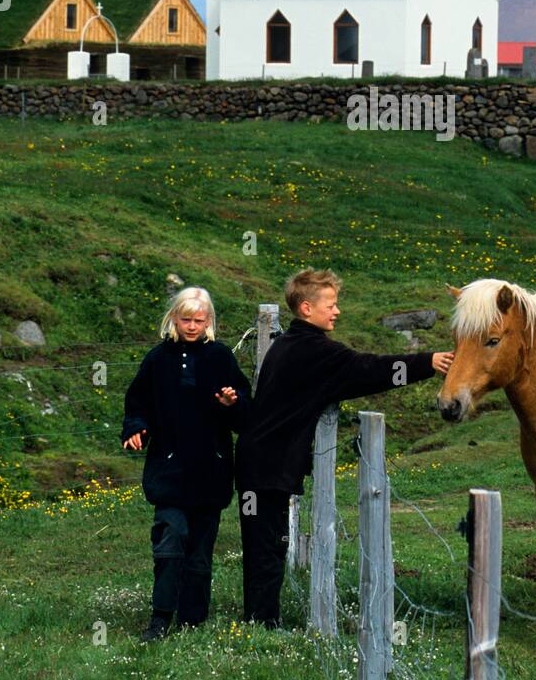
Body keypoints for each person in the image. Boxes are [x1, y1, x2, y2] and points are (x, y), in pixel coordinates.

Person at [235, 267, 454, 628]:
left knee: (265, 543)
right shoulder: (315, 352)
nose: (337, 312)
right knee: (268, 547)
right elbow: (368, 368)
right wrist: (427, 363)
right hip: (268, 466)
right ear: (306, 308)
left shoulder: (288, 343)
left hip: (258, 460)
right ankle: (262, 624)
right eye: (331, 305)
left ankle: (260, 618)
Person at [121, 286, 251, 641]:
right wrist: (136, 428)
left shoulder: (222, 358)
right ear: (173, 319)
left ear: (209, 321)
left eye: (199, 320)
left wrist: (231, 403)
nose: (192, 326)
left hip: (211, 471)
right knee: (170, 539)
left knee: (199, 552)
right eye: (185, 319)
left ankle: (194, 620)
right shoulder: (157, 359)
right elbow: (137, 402)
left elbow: (245, 414)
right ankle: (161, 617)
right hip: (168, 469)